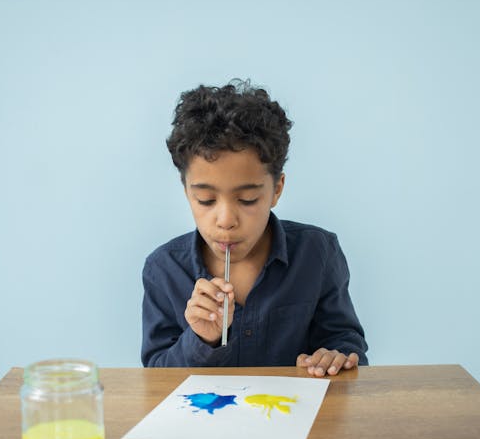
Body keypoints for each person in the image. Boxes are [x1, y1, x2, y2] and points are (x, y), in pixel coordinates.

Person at [141, 79, 368, 377]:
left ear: (276, 190)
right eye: (206, 200)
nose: (225, 220)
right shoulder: (163, 269)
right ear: (186, 192)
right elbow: (154, 378)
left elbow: (347, 344)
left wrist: (334, 357)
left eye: (247, 199)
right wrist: (201, 339)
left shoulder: (318, 252)